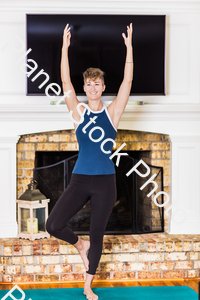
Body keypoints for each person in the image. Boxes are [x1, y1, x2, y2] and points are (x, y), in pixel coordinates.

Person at [46, 23, 133, 300]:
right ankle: (78, 244)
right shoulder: (79, 112)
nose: (92, 87)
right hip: (81, 179)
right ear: (85, 87)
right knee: (53, 225)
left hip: (106, 182)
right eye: (88, 83)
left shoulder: (112, 114)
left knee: (98, 235)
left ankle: (87, 285)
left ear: (103, 87)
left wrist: (129, 49)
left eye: (97, 83)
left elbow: (127, 83)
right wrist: (64, 48)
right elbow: (64, 83)